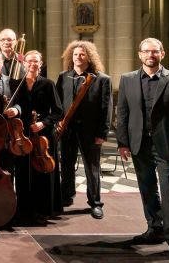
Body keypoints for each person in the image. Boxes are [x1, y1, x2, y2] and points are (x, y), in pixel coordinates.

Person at [116, 38, 169, 263]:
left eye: (155, 51)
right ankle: (155, 228)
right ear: (139, 55)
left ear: (163, 54)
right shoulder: (128, 79)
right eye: (146, 51)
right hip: (139, 144)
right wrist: (123, 143)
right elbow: (122, 113)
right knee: (147, 188)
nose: (150, 55)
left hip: (168, 147)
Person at [56, 40, 112, 220]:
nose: (78, 57)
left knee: (92, 168)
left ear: (89, 57)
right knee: (66, 165)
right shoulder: (64, 76)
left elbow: (106, 108)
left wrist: (102, 133)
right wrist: (57, 124)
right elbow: (58, 104)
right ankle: (66, 196)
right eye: (75, 54)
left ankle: (95, 203)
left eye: (82, 54)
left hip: (90, 131)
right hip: (67, 130)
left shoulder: (101, 79)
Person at [15, 50, 63, 222]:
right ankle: (23, 209)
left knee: (43, 171)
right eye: (29, 61)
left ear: (41, 64)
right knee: (23, 171)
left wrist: (43, 123)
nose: (32, 64)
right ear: (24, 63)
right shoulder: (17, 84)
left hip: (43, 135)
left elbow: (58, 111)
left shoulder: (48, 84)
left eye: (36, 62)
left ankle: (44, 209)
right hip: (23, 134)